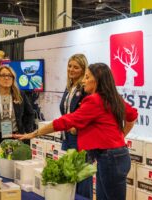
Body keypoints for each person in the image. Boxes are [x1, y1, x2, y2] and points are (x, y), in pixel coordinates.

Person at [14, 63, 138, 200]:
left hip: (110, 158)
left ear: (96, 80)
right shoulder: (113, 97)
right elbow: (132, 117)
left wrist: (34, 133)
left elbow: (66, 121)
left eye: (87, 77)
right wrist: (120, 137)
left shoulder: (95, 100)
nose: (83, 81)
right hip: (117, 155)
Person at [59, 54, 92, 198]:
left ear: (84, 70)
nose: (71, 69)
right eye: (69, 66)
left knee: (83, 178)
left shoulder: (86, 88)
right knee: (70, 177)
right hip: (67, 138)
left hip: (81, 139)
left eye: (76, 67)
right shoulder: (69, 87)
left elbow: (90, 113)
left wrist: (77, 127)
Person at [0, 65, 35, 147]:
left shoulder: (20, 95)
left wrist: (27, 131)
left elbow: (30, 113)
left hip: (16, 137)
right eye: (3, 75)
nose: (6, 78)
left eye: (9, 75)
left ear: (13, 78)